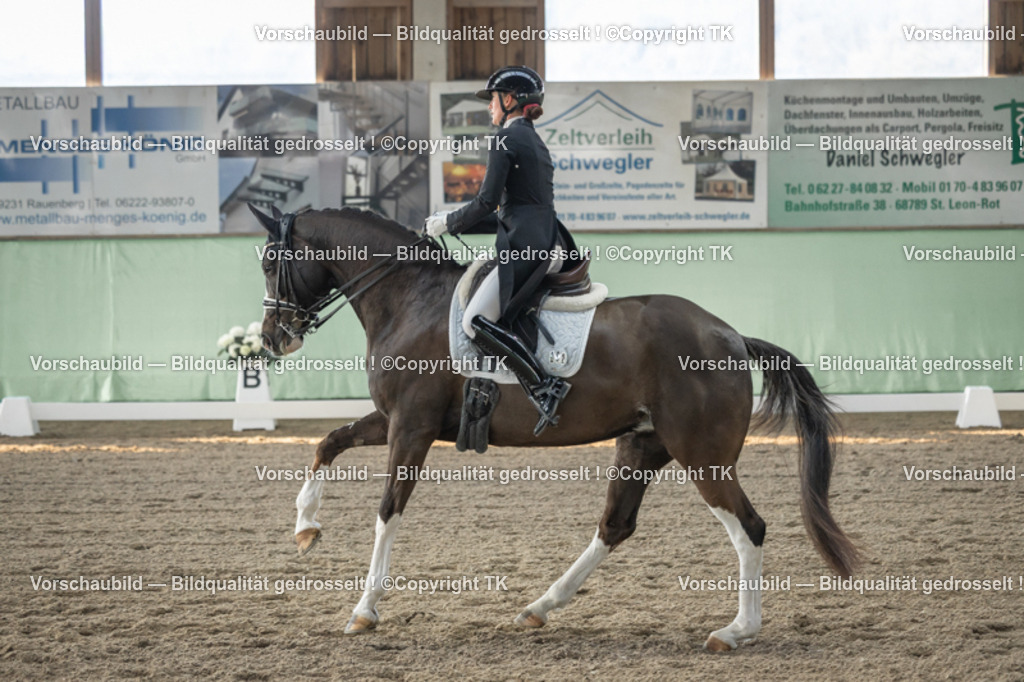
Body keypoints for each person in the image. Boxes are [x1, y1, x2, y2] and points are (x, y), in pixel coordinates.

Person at [425, 65, 577, 435]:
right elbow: (514, 212)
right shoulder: (532, 140)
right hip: (545, 239)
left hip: (527, 247)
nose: (489, 108)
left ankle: (545, 385)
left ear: (509, 100)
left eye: (492, 100)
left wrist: (449, 222)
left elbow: (486, 202)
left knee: (473, 322)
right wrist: (456, 222)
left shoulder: (503, 140)